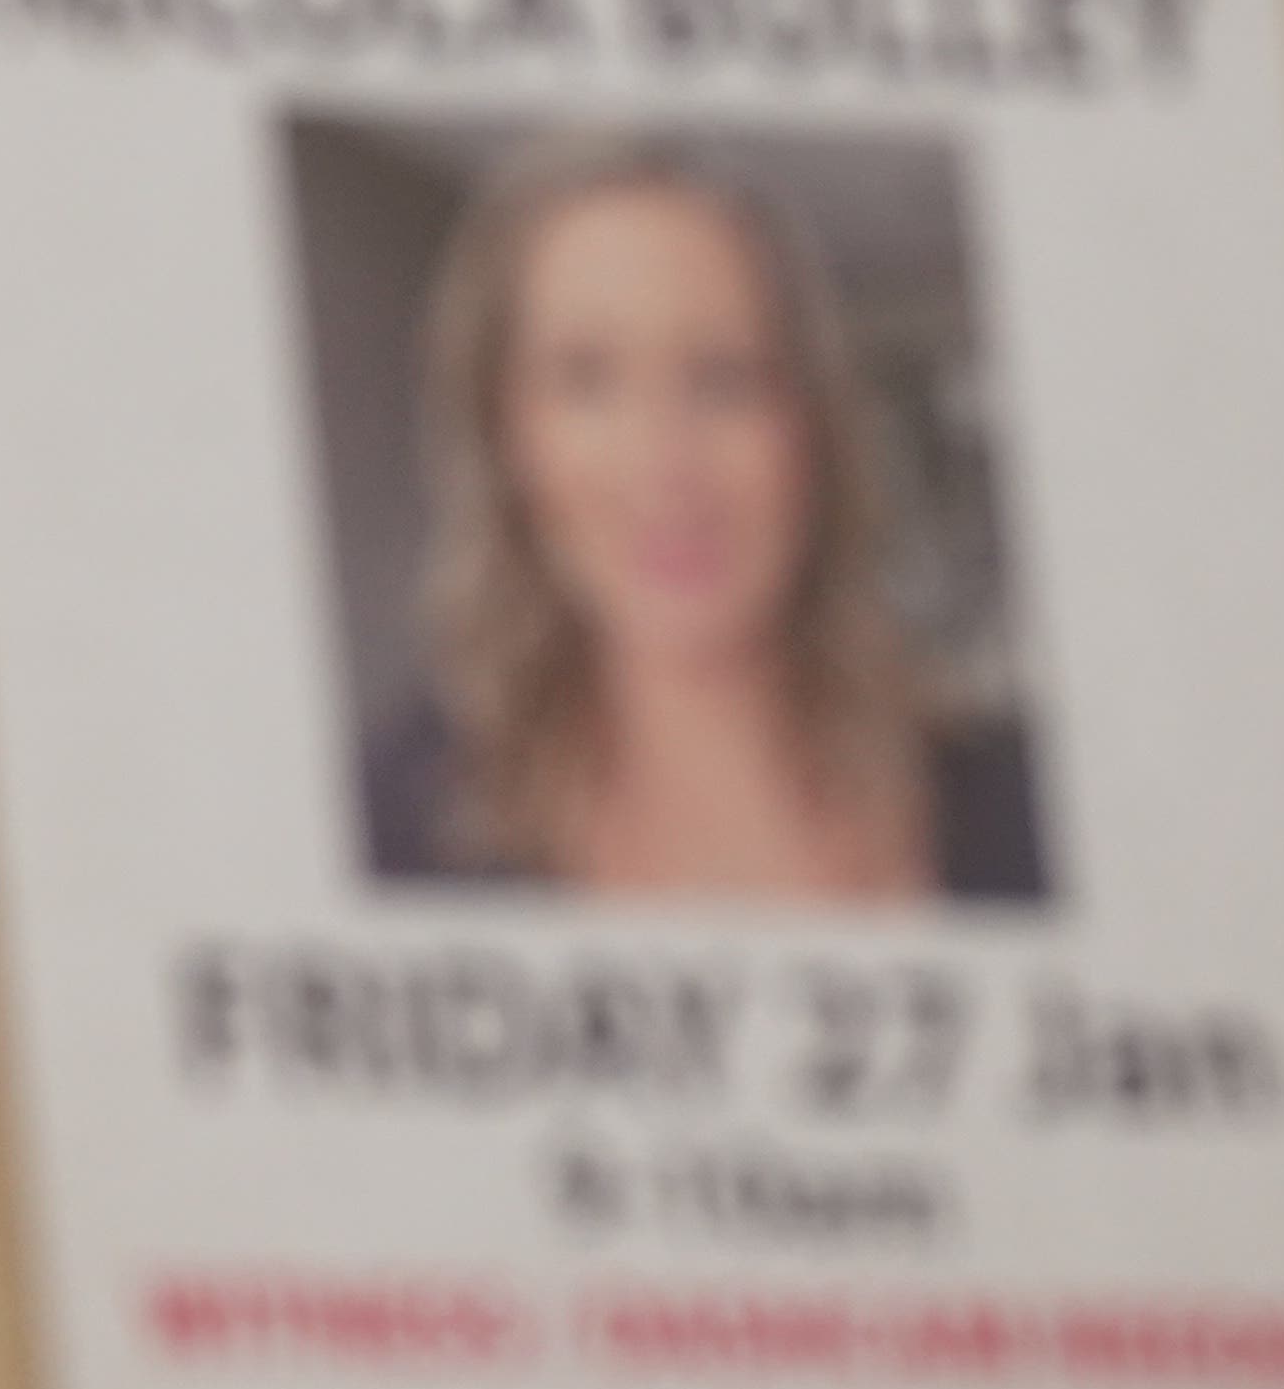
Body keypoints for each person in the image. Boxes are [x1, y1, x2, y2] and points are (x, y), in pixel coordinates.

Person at [359, 137, 1045, 903]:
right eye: (586, 379)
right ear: (506, 436)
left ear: (810, 428)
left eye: (724, 376)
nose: (663, 460)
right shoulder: (390, 829)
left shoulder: (1021, 800)